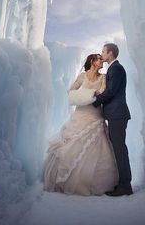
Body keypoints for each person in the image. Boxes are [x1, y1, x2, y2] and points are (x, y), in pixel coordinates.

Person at [43, 54, 118, 195]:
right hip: (80, 114)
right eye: (99, 59)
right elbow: (71, 91)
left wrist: (91, 94)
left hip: (95, 114)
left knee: (99, 145)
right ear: (92, 61)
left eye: (102, 59)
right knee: (70, 145)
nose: (102, 61)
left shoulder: (103, 77)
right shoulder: (83, 76)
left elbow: (102, 92)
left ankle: (93, 182)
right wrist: (87, 94)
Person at [92, 43, 133, 196]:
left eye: (103, 51)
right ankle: (123, 183)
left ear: (110, 53)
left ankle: (125, 186)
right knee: (119, 148)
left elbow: (111, 91)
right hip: (116, 114)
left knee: (120, 149)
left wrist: (96, 100)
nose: (101, 54)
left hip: (117, 114)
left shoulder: (116, 68)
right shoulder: (114, 68)